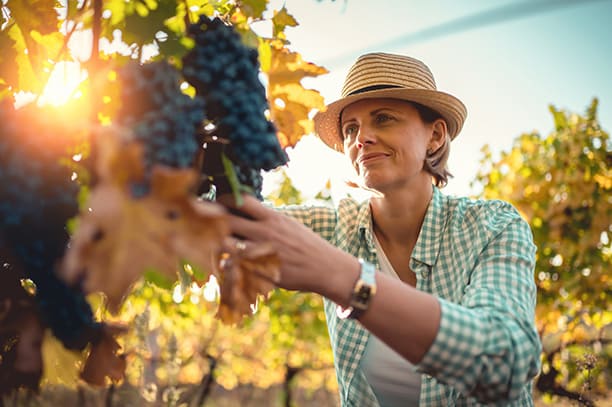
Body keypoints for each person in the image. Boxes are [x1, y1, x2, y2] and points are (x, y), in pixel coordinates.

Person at [223, 52, 542, 406]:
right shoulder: (334, 227)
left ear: (435, 136)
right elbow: (230, 217)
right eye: (351, 129)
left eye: (384, 119)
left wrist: (347, 280)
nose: (362, 138)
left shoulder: (493, 227)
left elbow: (505, 364)